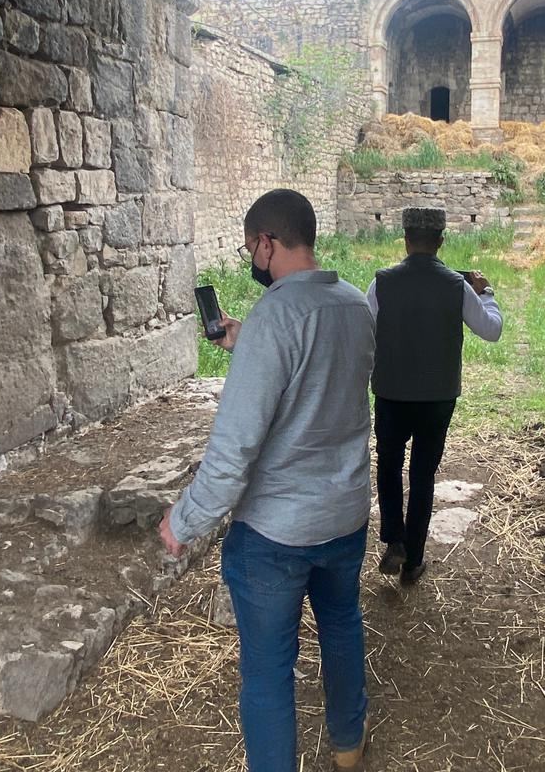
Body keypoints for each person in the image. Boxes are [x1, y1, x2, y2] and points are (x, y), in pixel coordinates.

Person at [159, 189, 375, 772]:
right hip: (346, 514)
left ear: (264, 243)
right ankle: (348, 746)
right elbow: (320, 380)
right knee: (341, 625)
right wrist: (245, 341)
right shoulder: (355, 305)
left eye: (250, 247)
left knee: (268, 668)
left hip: (276, 532)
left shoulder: (275, 317)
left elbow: (233, 451)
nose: (252, 256)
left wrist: (184, 521)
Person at [365, 207, 503, 585]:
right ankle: (414, 562)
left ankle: (394, 539)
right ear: (442, 242)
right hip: (437, 397)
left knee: (390, 467)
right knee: (423, 475)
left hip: (391, 394)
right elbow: (491, 331)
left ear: (405, 240)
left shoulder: (383, 283)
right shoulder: (456, 286)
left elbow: (365, 330)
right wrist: (486, 293)